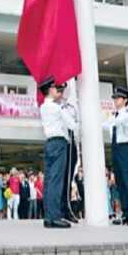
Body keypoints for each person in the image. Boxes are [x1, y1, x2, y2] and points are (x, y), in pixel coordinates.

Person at [38, 76, 78, 229]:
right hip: (59, 143)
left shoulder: (44, 107)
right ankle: (54, 216)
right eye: (55, 88)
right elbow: (71, 124)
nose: (58, 90)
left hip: (49, 143)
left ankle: (48, 216)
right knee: (56, 180)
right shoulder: (57, 107)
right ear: (50, 90)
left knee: (48, 181)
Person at [105, 87, 128, 226]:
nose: (115, 100)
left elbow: (113, 123)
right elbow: (108, 124)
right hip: (115, 148)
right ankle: (125, 212)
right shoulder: (114, 115)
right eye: (114, 98)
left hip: (124, 148)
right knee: (120, 181)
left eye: (118, 98)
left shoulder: (127, 115)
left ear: (125, 100)